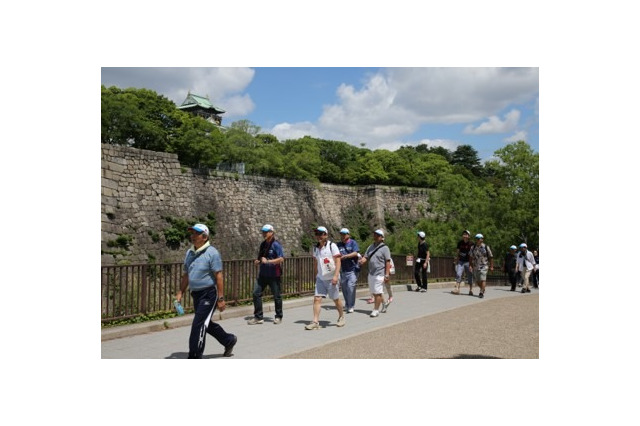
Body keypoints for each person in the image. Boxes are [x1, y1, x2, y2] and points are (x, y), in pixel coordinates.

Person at [175, 223, 237, 358]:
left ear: (204, 237)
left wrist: (221, 298)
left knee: (198, 324)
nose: (193, 236)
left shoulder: (212, 253)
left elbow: (219, 276)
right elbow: (186, 274)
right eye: (192, 233)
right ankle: (229, 340)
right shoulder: (189, 252)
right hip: (196, 294)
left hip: (209, 294)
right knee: (205, 324)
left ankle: (195, 356)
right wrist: (180, 292)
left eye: (196, 233)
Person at [305, 226, 346, 330]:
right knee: (317, 298)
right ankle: (315, 321)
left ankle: (341, 316)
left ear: (326, 235)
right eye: (317, 234)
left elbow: (338, 261)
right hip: (320, 278)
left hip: (332, 277)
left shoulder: (332, 246)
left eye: (321, 234)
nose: (318, 236)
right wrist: (316, 274)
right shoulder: (315, 248)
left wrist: (336, 276)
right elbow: (316, 262)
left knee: (335, 299)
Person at [248, 224, 285, 325]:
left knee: (277, 296)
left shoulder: (276, 245)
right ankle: (258, 317)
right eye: (263, 232)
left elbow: (281, 259)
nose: (264, 233)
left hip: (274, 275)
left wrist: (268, 261)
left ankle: (278, 316)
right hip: (263, 274)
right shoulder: (263, 244)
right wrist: (258, 261)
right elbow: (261, 258)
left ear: (271, 233)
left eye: (266, 232)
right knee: (256, 293)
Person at [359, 229, 392, 317]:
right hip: (371, 273)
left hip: (380, 273)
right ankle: (384, 303)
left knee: (377, 293)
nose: (375, 236)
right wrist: (362, 261)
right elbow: (366, 256)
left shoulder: (385, 248)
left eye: (377, 235)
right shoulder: (370, 247)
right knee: (374, 292)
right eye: (374, 235)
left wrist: (387, 274)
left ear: (382, 238)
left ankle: (375, 310)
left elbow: (387, 262)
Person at [337, 228, 360, 314]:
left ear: (348, 235)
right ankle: (347, 304)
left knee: (350, 287)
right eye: (341, 234)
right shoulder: (338, 244)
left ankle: (351, 306)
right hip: (343, 270)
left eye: (344, 234)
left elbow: (355, 253)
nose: (342, 236)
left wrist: (346, 256)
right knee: (344, 288)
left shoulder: (353, 243)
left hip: (352, 269)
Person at [469, 233, 493, 298]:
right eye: (479, 239)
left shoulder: (486, 247)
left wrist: (491, 266)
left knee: (483, 279)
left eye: (481, 238)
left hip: (484, 265)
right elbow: (470, 257)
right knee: (477, 280)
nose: (480, 240)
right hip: (476, 266)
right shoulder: (473, 247)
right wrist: (470, 265)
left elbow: (490, 256)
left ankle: (481, 292)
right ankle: (482, 288)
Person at [452, 230, 473, 294]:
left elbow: (473, 254)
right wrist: (456, 260)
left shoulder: (471, 244)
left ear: (468, 236)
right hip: (461, 261)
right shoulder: (460, 243)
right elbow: (458, 252)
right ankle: (457, 289)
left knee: (469, 275)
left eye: (466, 234)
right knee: (458, 274)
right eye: (464, 234)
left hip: (468, 262)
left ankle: (470, 290)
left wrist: (471, 264)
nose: (464, 235)